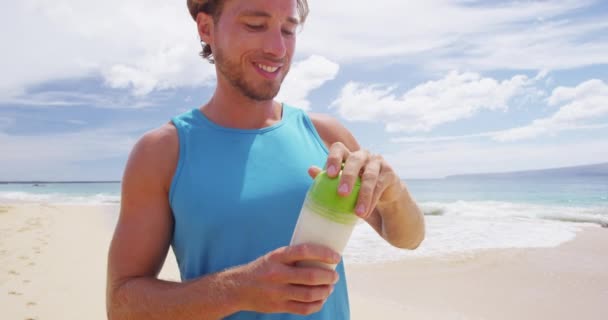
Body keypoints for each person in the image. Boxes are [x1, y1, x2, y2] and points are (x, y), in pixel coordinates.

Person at [106, 0, 425, 319]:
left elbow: (409, 238)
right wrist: (237, 289)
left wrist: (393, 193)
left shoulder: (326, 135)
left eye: (288, 29)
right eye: (255, 25)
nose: (277, 48)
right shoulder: (163, 151)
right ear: (206, 28)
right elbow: (121, 304)